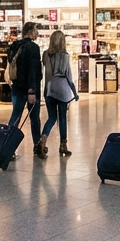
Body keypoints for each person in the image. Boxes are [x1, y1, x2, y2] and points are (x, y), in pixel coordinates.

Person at [7, 22, 43, 157]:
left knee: (15, 117)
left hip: (16, 87)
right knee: (34, 118)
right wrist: (32, 90)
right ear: (31, 31)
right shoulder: (33, 48)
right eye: (36, 30)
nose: (37, 33)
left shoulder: (14, 46)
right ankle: (37, 146)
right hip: (30, 88)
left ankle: (8, 147)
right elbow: (32, 71)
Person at [39, 30, 77, 157]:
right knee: (62, 118)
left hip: (49, 89)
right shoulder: (65, 56)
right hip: (62, 90)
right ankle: (63, 145)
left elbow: (43, 73)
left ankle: (42, 141)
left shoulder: (45, 55)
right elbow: (69, 76)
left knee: (52, 117)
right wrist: (74, 92)